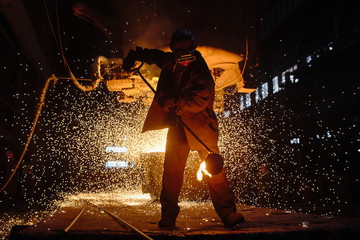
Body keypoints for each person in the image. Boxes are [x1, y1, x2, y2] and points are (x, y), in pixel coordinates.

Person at [123, 28, 245, 228]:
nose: (184, 56)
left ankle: (229, 214)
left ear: (194, 49)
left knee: (213, 169)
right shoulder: (172, 62)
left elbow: (200, 99)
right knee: (171, 172)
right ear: (174, 51)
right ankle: (168, 216)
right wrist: (136, 56)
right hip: (178, 125)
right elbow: (156, 56)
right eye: (179, 52)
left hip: (200, 125)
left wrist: (173, 101)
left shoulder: (201, 70)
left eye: (188, 51)